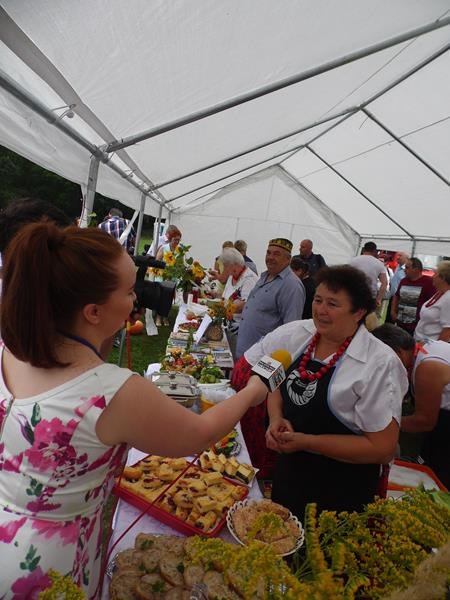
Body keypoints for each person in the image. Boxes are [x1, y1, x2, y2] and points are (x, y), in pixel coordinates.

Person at [0, 223, 267, 598]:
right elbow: (200, 433)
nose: (136, 299)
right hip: (49, 564)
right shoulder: (113, 390)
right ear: (93, 311)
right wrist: (252, 390)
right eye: (128, 291)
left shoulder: (10, 352)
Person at [244, 266, 407, 520]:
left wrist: (306, 442)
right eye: (318, 300)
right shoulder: (295, 333)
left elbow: (382, 448)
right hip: (289, 475)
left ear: (359, 312)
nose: (320, 310)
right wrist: (276, 417)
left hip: (340, 492)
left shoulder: (380, 364)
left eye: (332, 304)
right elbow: (271, 380)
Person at [372, 324, 450, 489]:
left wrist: (380, 423)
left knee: (438, 480)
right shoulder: (422, 347)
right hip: (442, 418)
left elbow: (424, 422)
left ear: (399, 352)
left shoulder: (428, 367)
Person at [235, 238, 305, 360]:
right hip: (244, 352)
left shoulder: (292, 285)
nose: (270, 257)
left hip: (261, 358)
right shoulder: (264, 276)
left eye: (276, 254)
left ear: (288, 259)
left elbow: (290, 330)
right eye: (268, 253)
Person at [220, 248, 258, 359]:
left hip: (240, 330)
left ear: (235, 264)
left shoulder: (249, 279)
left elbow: (245, 305)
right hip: (228, 326)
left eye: (226, 265)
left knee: (236, 358)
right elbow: (225, 297)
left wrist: (227, 307)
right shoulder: (232, 276)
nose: (225, 268)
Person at [391, 257, 435, 335]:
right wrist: (393, 311)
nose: (404, 270)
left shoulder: (428, 282)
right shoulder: (404, 281)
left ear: (416, 269)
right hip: (400, 322)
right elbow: (396, 296)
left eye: (407, 267)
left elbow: (432, 302)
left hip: (416, 326)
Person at [349, 241, 388, 330]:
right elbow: (384, 283)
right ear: (374, 251)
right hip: (370, 296)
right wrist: (379, 299)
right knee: (367, 321)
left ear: (364, 249)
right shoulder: (379, 264)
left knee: (352, 317)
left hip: (354, 294)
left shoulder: (353, 261)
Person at [414, 260, 450, 342]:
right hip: (421, 342)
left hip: (430, 345)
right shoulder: (440, 293)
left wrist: (435, 347)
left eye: (435, 274)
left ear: (443, 278)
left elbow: (447, 330)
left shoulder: (448, 298)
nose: (432, 277)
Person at [154, 226, 182, 326]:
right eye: (175, 240)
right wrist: (164, 270)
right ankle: (158, 317)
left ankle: (165, 317)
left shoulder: (180, 250)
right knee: (161, 298)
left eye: (178, 240)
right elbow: (156, 262)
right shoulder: (164, 248)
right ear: (170, 239)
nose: (177, 242)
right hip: (162, 277)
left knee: (169, 299)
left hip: (173, 278)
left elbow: (181, 264)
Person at [385, 251, 409, 324]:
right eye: (397, 255)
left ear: (406, 258)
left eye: (400, 256)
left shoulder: (407, 269)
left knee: (398, 321)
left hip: (400, 299)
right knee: (389, 319)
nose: (397, 257)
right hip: (393, 297)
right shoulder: (398, 267)